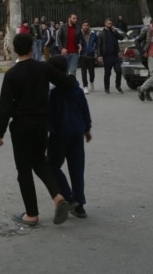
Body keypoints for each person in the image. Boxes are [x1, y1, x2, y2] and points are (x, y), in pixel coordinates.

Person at [0, 32, 71, 227]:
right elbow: (63, 80)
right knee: (40, 163)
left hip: (21, 125)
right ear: (31, 48)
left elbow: (5, 105)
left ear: (14, 50)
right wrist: (74, 85)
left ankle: (32, 214)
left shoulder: (12, 74)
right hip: (41, 123)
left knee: (24, 170)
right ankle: (57, 196)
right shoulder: (43, 68)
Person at [46, 55, 92, 219]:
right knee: (77, 169)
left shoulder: (54, 94)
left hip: (59, 134)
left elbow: (50, 116)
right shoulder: (77, 89)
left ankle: (68, 197)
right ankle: (80, 204)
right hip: (77, 133)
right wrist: (87, 129)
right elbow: (84, 109)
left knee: (51, 166)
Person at [97, 18, 124, 94]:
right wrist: (99, 55)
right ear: (105, 24)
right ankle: (107, 88)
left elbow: (122, 38)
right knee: (107, 73)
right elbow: (99, 45)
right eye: (108, 24)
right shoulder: (101, 33)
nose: (110, 25)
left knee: (119, 71)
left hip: (115, 55)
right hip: (107, 56)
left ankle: (118, 86)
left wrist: (115, 30)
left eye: (111, 24)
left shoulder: (114, 32)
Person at [79, 20, 98, 93]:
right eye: (84, 25)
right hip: (82, 55)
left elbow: (97, 44)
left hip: (91, 56)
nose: (85, 27)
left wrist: (95, 51)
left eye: (86, 25)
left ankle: (91, 82)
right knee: (83, 72)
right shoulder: (79, 34)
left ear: (89, 26)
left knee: (91, 72)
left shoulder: (93, 34)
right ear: (82, 26)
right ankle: (85, 86)